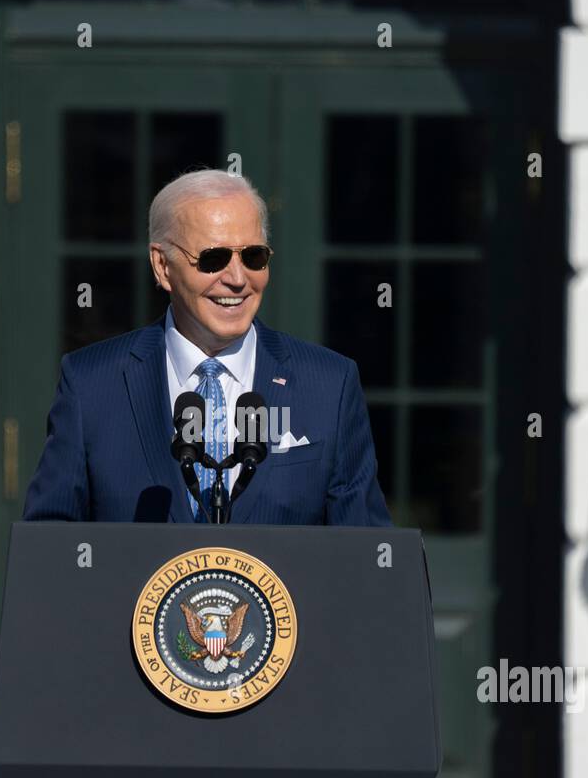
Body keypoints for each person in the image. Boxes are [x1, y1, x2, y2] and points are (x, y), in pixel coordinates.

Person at [22, 168, 390, 526]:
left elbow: (365, 559)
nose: (236, 278)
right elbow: (48, 550)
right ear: (162, 266)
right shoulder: (92, 384)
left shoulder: (329, 385)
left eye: (253, 256)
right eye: (213, 259)